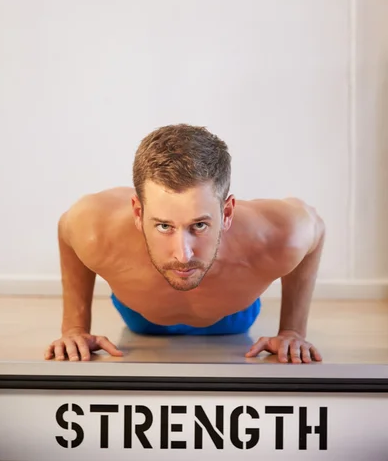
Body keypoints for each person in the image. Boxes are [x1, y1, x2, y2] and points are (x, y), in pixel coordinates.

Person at [44, 124, 325, 364]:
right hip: (141, 317)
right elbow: (66, 231)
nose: (183, 254)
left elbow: (317, 230)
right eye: (164, 226)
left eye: (199, 225)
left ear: (226, 214)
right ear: (138, 214)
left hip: (233, 316)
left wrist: (292, 332)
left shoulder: (282, 234)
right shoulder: (93, 226)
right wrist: (75, 328)